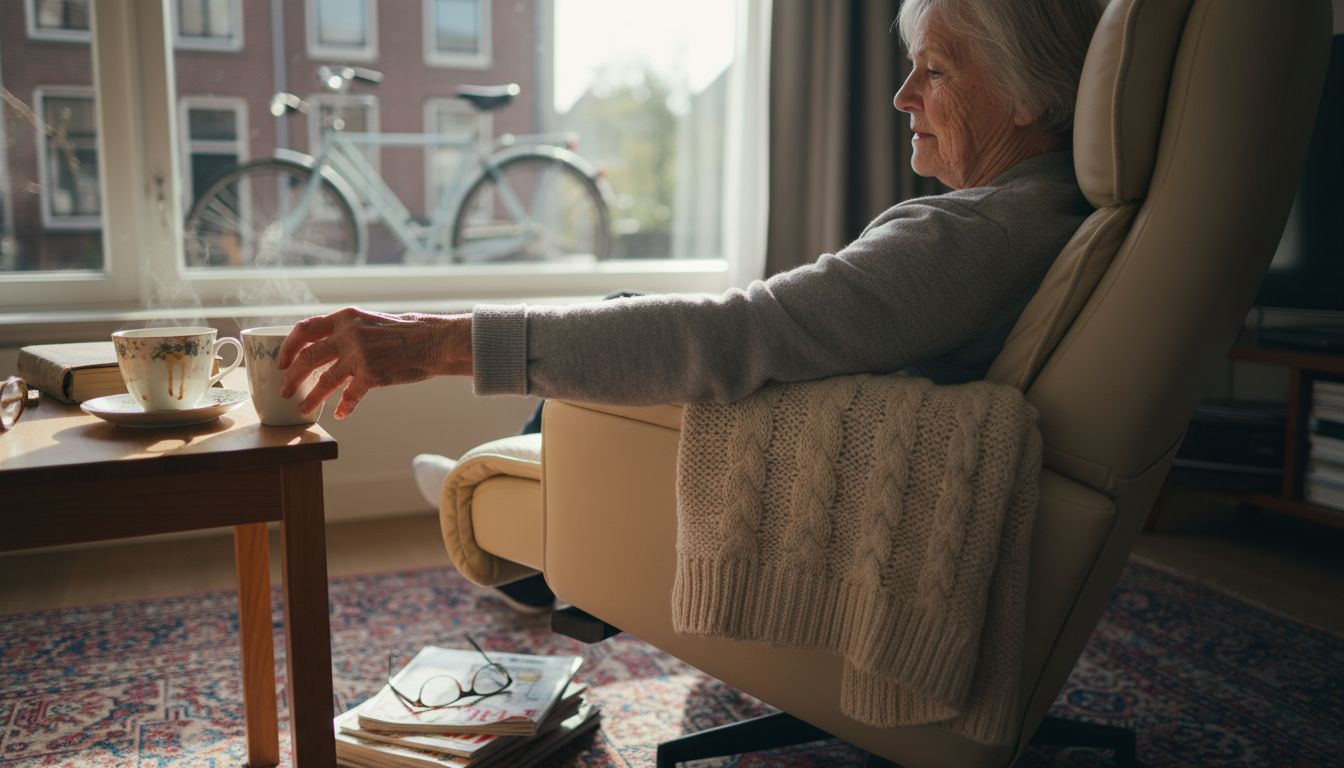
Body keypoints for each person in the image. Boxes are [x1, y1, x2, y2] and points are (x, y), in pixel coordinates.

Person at [280, 0, 1106, 613]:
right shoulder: (1052, 209)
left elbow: (733, 337)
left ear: (1030, 94)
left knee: (634, 313)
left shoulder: (972, 237)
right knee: (634, 311)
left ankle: (522, 538)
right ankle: (509, 484)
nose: (899, 97)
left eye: (935, 69)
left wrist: (437, 344)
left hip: (825, 462)